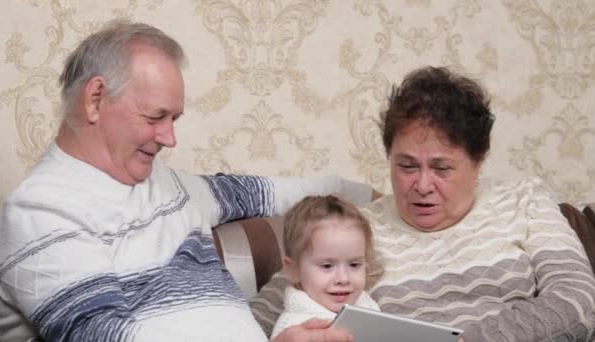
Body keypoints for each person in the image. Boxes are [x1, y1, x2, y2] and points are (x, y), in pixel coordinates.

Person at [0, 20, 381, 342]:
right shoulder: (39, 211)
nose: (169, 138)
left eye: (173, 120)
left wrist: (374, 196)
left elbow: (260, 192)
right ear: (95, 99)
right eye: (155, 117)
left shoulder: (164, 183)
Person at [251, 66, 595, 341]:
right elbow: (255, 319)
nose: (422, 185)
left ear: (478, 162)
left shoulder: (525, 200)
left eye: (442, 168)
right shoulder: (353, 227)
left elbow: (578, 300)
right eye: (406, 166)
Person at [270, 195, 381, 338]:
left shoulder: (367, 306)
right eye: (327, 266)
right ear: (294, 270)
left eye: (354, 264)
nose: (343, 279)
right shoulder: (294, 329)